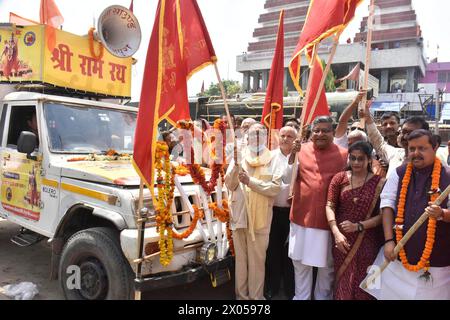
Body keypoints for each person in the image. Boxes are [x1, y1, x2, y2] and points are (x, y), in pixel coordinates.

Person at [363, 130, 450, 299]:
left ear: (435, 147)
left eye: (422, 148)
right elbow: (387, 206)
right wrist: (389, 241)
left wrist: (442, 213)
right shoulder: (399, 173)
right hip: (398, 257)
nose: (416, 153)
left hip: (436, 263)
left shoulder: (447, 176)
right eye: (412, 148)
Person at [287, 116, 348, 300]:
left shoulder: (344, 154)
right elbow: (286, 178)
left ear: (333, 132)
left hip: (327, 220)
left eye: (325, 130)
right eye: (317, 130)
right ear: (311, 132)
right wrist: (292, 156)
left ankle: (323, 298)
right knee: (300, 263)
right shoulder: (300, 149)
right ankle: (301, 297)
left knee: (326, 266)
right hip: (300, 217)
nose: (320, 134)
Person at [225, 123, 282, 300]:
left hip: (261, 219)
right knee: (241, 262)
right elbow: (230, 184)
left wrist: (250, 182)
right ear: (246, 138)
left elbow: (275, 188)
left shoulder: (274, 159)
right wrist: (235, 166)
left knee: (257, 263)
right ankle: (241, 298)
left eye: (260, 134)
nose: (256, 137)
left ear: (266, 137)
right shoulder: (239, 157)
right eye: (252, 134)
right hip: (239, 216)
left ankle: (256, 299)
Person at [326, 141, 385, 300]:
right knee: (343, 278)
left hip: (369, 241)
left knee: (367, 280)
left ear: (369, 159)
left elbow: (383, 216)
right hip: (342, 240)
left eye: (361, 159)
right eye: (353, 158)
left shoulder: (379, 182)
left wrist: (358, 226)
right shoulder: (339, 178)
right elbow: (329, 206)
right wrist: (336, 233)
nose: (356, 163)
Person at [264, 126, 297, 300]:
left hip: (294, 212)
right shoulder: (270, 157)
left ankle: (291, 289)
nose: (285, 139)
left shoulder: (302, 157)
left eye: (289, 136)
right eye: (282, 135)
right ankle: (272, 287)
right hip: (274, 211)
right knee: (273, 251)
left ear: (295, 139)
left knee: (291, 253)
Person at [361, 103, 430, 177]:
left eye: (411, 133)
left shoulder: (434, 159)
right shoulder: (395, 154)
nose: (406, 136)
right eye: (404, 132)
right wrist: (368, 118)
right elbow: (378, 142)